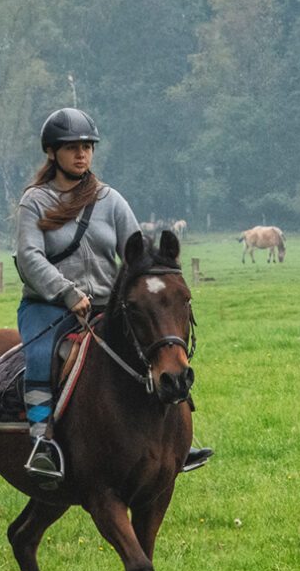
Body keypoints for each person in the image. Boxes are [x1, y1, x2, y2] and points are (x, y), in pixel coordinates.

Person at [12, 108, 212, 483]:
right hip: (48, 307)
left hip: (106, 306)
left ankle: (179, 441)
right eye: (72, 147)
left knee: (155, 351)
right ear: (52, 153)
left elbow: (136, 255)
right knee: (39, 356)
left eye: (87, 146)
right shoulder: (35, 202)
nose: (82, 154)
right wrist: (67, 293)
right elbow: (29, 257)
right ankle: (43, 443)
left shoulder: (111, 201)